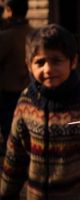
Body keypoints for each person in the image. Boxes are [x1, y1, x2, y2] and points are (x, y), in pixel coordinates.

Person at [0, 24, 80, 200]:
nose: (48, 69)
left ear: (73, 61)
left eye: (56, 61)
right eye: (40, 62)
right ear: (29, 65)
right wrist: (6, 192)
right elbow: (15, 154)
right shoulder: (26, 102)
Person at [0, 0, 32, 154]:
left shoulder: (6, 36)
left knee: (9, 128)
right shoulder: (32, 33)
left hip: (9, 91)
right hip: (29, 89)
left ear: (10, 11)